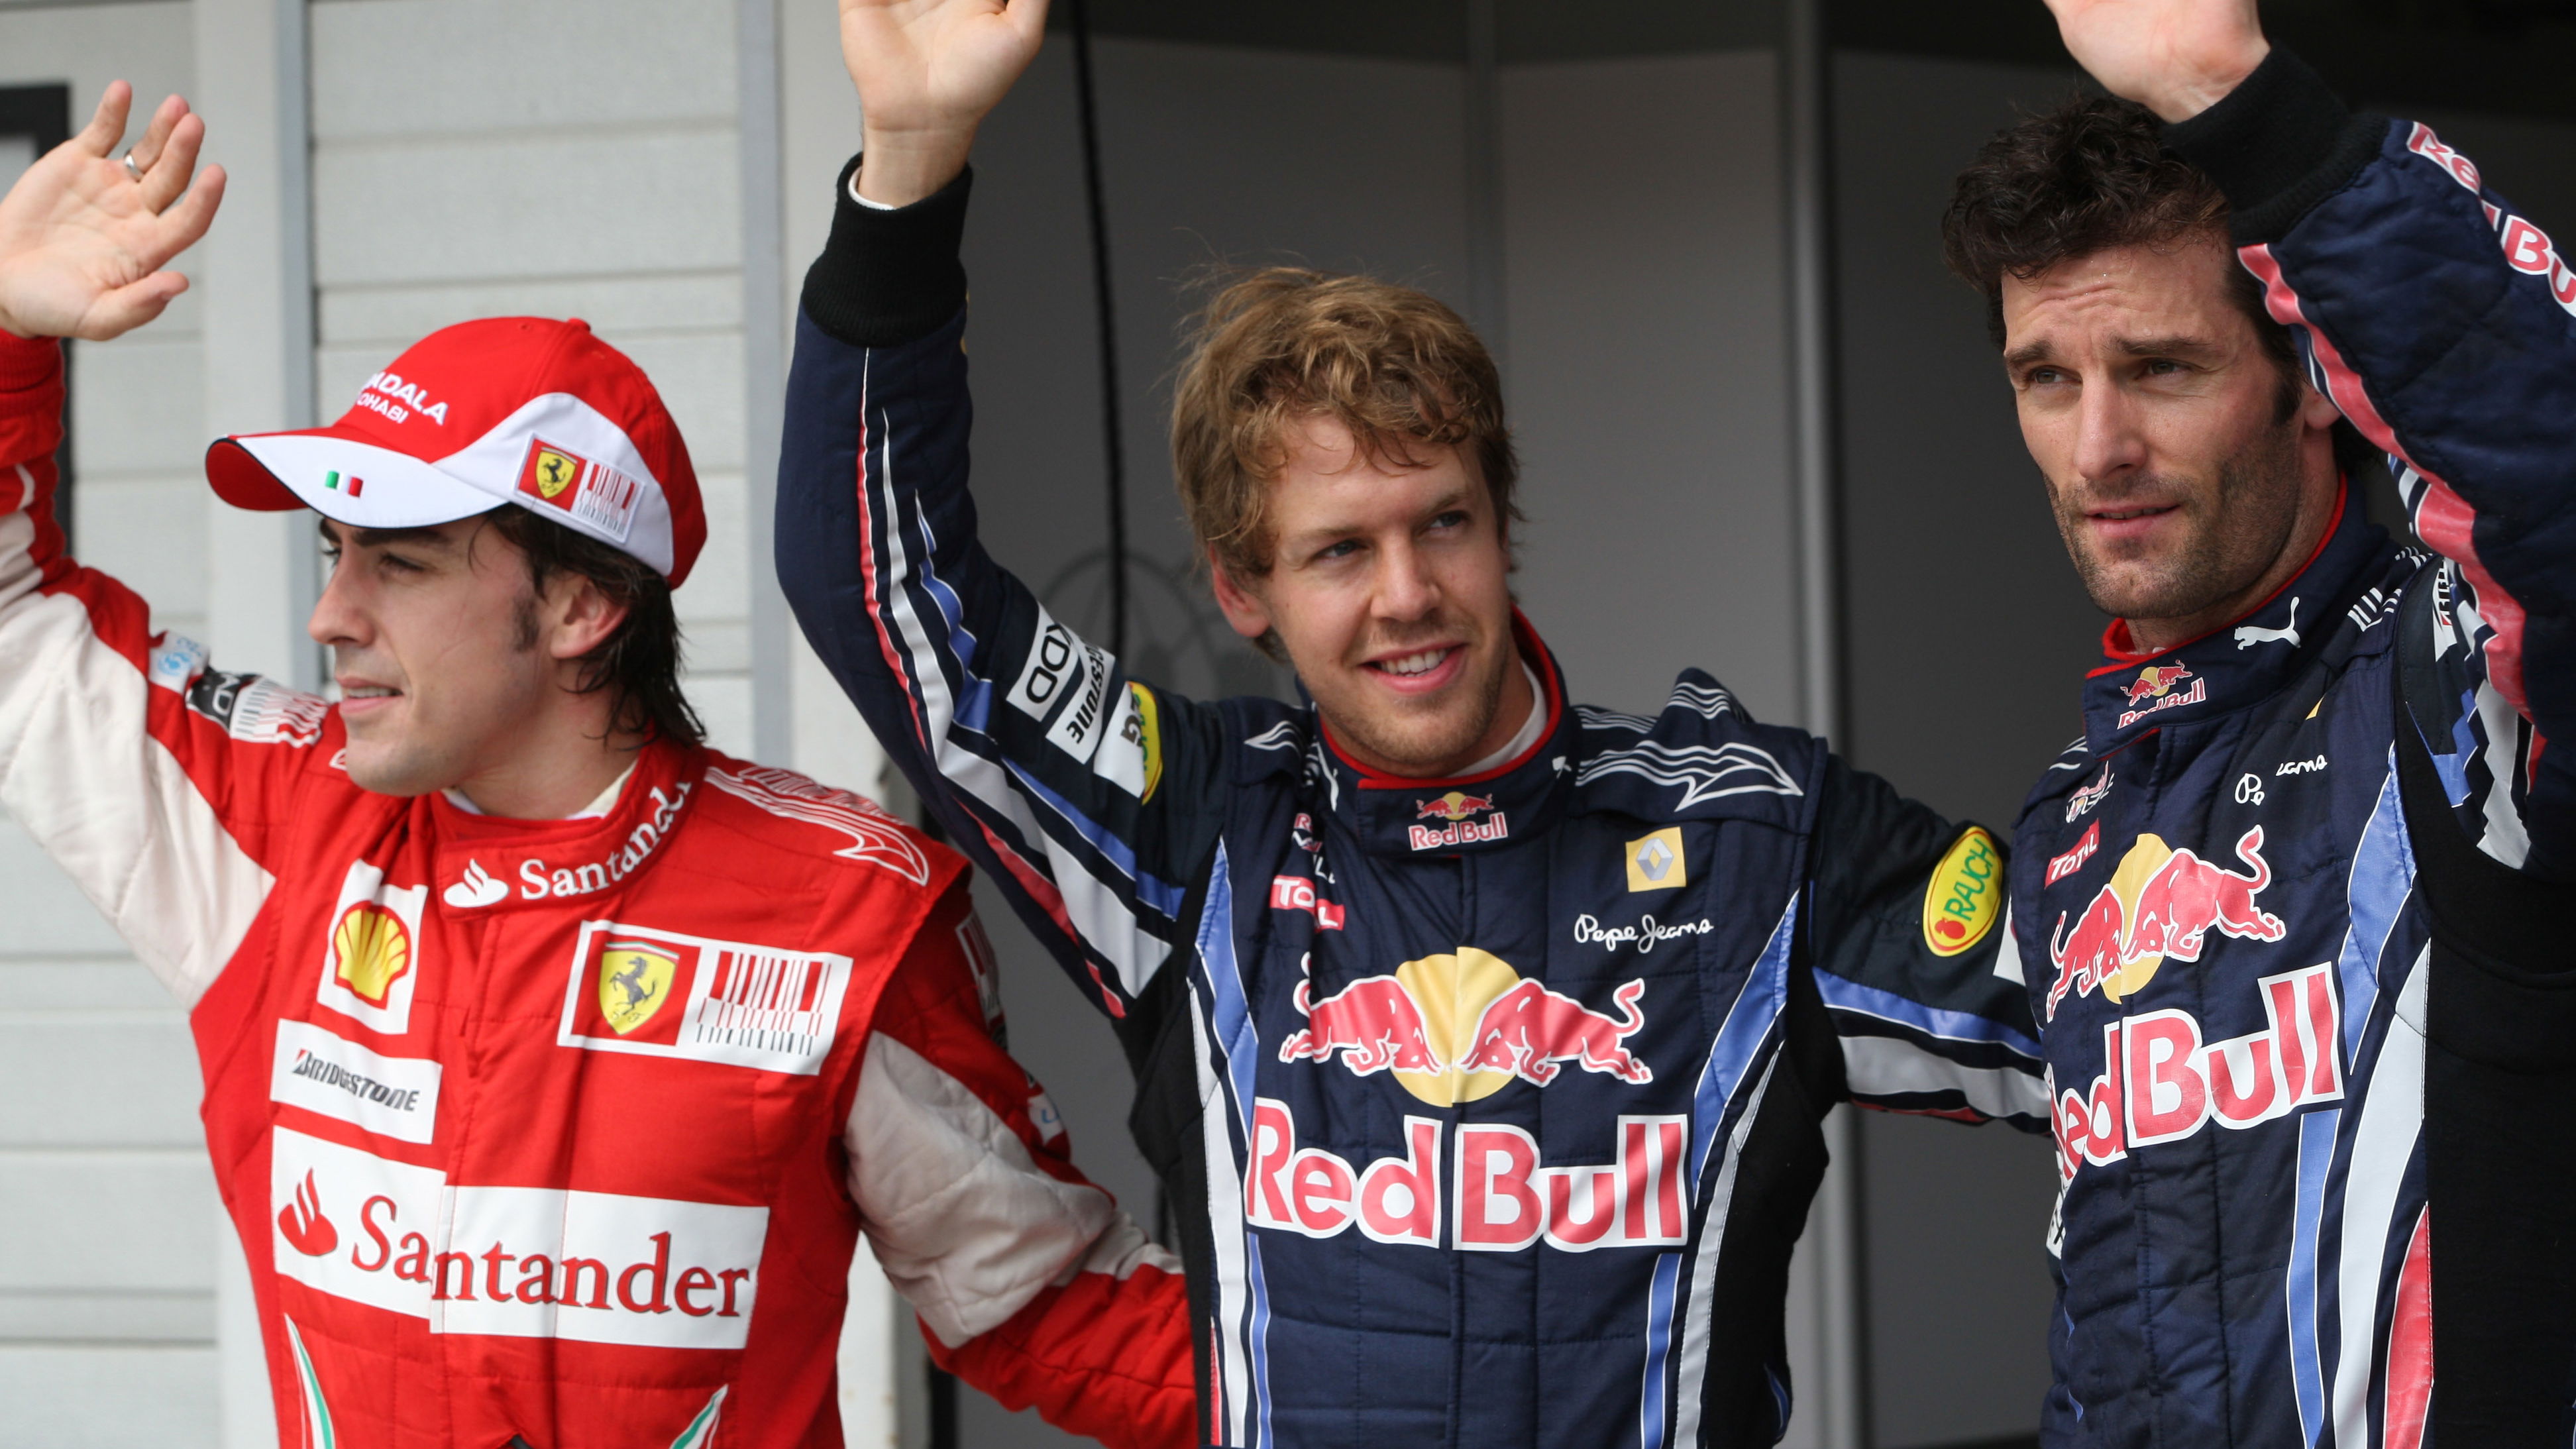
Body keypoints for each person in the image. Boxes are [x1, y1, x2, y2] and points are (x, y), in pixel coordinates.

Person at [778, 2, 2051, 1444]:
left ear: (1501, 523)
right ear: (1241, 588)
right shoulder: (1199, 826)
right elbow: (883, 594)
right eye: (1337, 550)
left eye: (1442, 521)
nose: (1409, 595)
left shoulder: (1749, 837)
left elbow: (2130, 1031)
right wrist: (911, 160)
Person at [0, 82, 1191, 1449]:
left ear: (579, 607)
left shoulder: (841, 911)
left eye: (397, 559)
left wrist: (1416, 1386)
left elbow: (1043, 1304)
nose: (331, 614)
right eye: (334, 553)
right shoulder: (274, 822)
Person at [1947, 0, 2575, 1442]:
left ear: (2307, 377)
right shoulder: (2080, 808)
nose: (2099, 447)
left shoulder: (2458, 668)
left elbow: (2556, 477)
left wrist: (2235, 97)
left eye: (2161, 368)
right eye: (2049, 378)